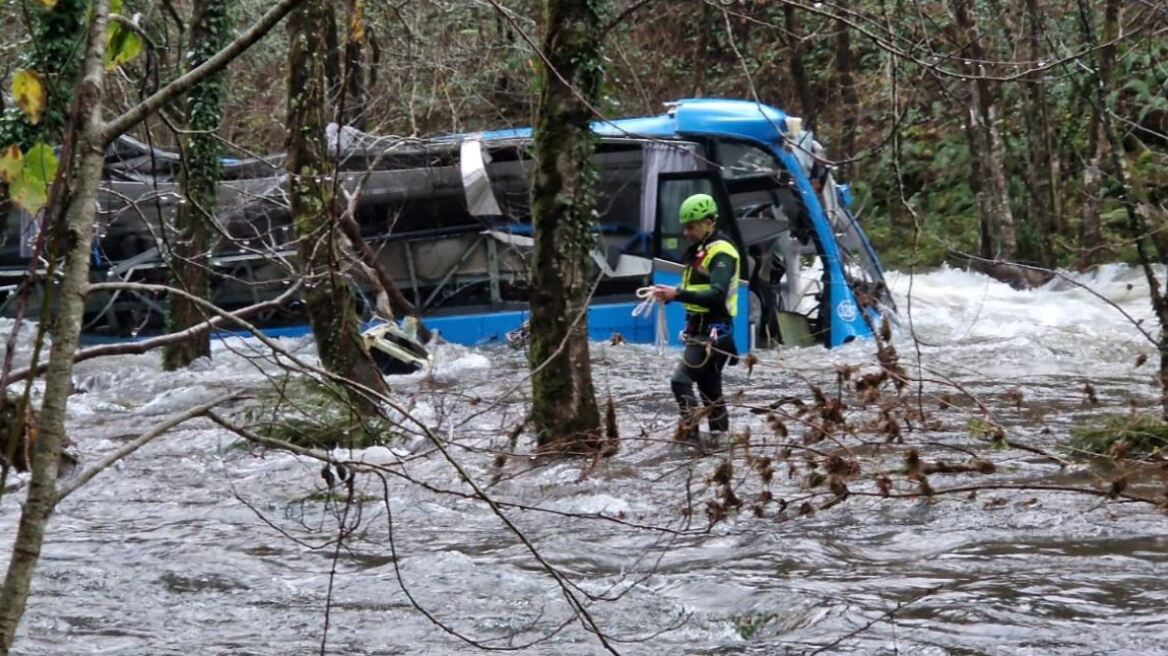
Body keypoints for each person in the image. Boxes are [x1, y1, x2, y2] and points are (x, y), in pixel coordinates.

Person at [651, 193, 741, 442]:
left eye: (691, 226)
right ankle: (719, 447)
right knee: (711, 394)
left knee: (680, 382)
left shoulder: (722, 252)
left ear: (709, 222)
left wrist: (676, 294)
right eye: (684, 227)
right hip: (703, 331)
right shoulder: (702, 249)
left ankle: (690, 440)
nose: (685, 233)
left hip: (714, 333)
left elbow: (717, 295)